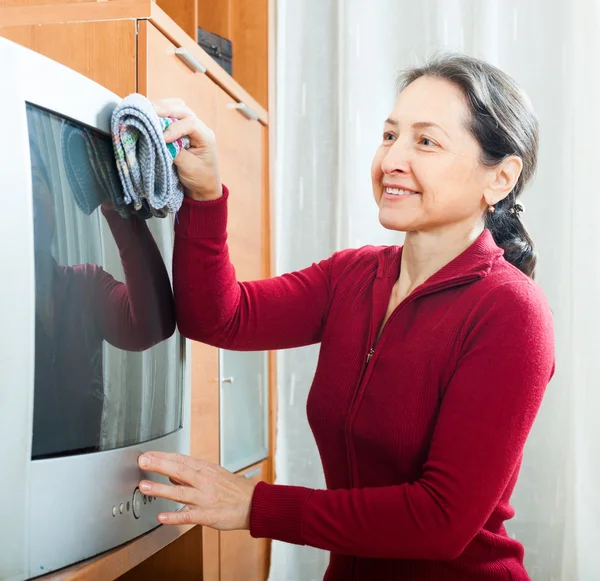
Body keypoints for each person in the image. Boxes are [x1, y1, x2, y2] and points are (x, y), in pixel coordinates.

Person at [138, 54, 555, 580]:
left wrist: (255, 505)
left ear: (500, 177)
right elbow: (222, 319)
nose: (392, 160)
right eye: (389, 135)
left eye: (425, 142)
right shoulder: (351, 277)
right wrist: (204, 194)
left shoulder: (511, 312)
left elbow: (441, 521)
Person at [30, 136, 176, 458]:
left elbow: (152, 326)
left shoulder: (85, 284)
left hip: (89, 495)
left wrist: (114, 204)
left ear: (54, 202)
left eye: (36, 178)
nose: (28, 192)